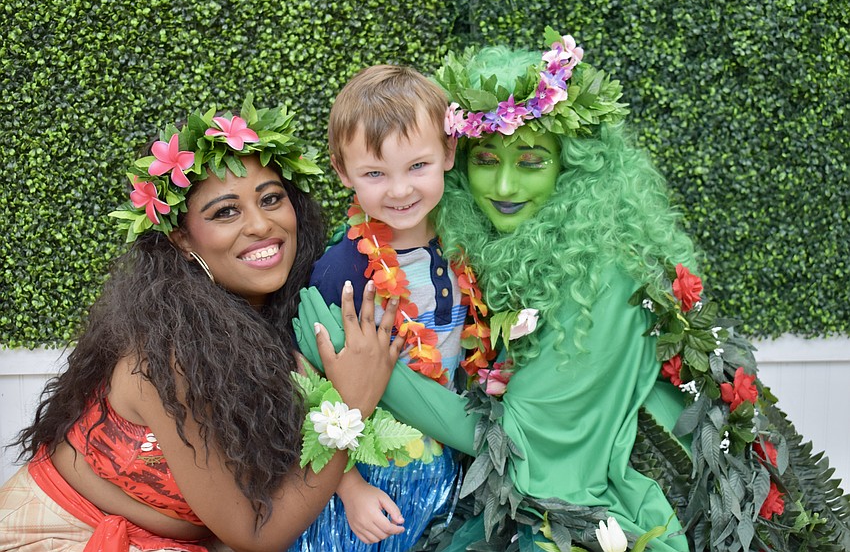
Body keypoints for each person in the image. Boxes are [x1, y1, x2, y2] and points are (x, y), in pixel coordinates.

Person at [296, 31, 850, 551]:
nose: (504, 186)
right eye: (485, 161)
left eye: (531, 163)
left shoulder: (602, 278)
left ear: (574, 167)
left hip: (600, 499)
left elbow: (522, 442)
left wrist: (369, 367)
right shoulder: (495, 247)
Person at [0, 97, 406, 552]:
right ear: (182, 238)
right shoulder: (168, 354)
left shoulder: (275, 312)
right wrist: (352, 405)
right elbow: (255, 536)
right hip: (59, 534)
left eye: (271, 199)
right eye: (225, 211)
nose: (261, 225)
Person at [291, 64, 476, 552]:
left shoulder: (469, 247)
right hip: (373, 480)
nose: (400, 190)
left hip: (450, 471)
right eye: (375, 173)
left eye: (418, 166)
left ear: (449, 152)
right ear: (342, 171)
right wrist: (348, 488)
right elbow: (306, 385)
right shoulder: (344, 271)